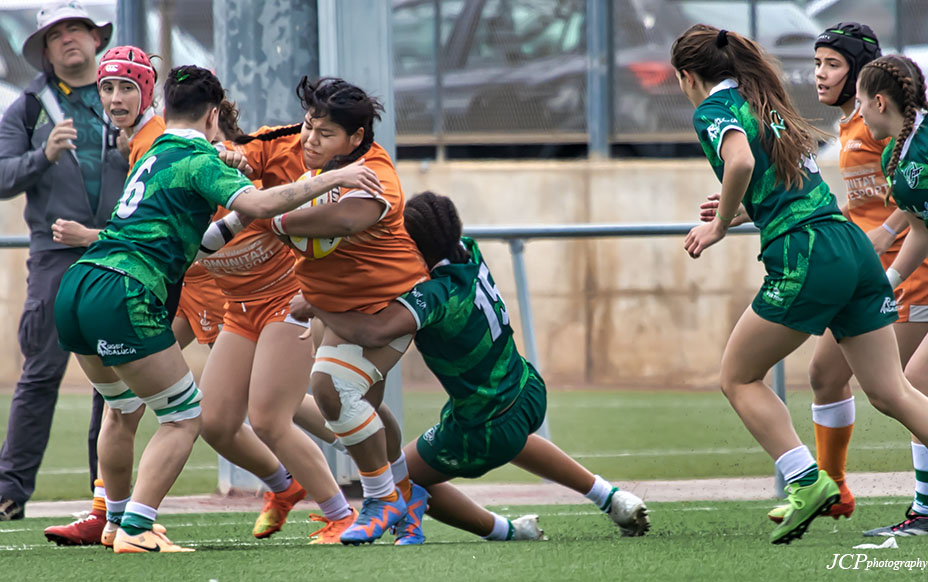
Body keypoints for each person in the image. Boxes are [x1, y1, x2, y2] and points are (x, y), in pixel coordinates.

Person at [52, 64, 382, 553]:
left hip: (81, 285)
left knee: (129, 411)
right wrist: (335, 178)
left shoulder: (157, 150)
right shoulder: (202, 160)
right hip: (135, 290)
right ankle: (136, 530)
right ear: (211, 117)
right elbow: (258, 208)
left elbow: (207, 234)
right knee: (188, 416)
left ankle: (115, 520)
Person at [673, 24, 928, 545]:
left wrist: (720, 223)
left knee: (739, 377)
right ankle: (823, 482)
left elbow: (740, 160)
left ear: (686, 77)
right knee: (892, 391)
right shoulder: (761, 98)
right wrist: (749, 210)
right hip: (849, 246)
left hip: (805, 252)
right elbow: (785, 177)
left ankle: (805, 481)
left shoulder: (714, 109)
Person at [293, 191, 651, 544]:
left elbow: (375, 332)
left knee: (399, 477)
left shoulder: (436, 295)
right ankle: (612, 498)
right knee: (514, 439)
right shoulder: (467, 249)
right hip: (525, 389)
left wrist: (316, 306)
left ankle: (506, 531)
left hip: (483, 427)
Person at [268, 76, 430, 545]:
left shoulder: (376, 174)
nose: (309, 140)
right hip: (335, 308)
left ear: (356, 138)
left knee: (332, 387)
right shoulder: (313, 163)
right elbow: (254, 159)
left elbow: (343, 218)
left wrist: (274, 216)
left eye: (324, 133)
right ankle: (407, 496)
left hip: (386, 308)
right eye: (307, 127)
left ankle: (380, 499)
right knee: (365, 408)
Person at [0, 1, 125, 521]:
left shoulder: (128, 100)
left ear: (98, 40)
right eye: (56, 35)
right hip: (54, 257)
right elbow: (3, 178)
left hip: (120, 252)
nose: (69, 39)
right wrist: (42, 156)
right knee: (40, 375)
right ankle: (9, 492)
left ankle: (105, 496)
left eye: (78, 29)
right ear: (45, 52)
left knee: (113, 380)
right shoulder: (27, 108)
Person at [854, 54, 928, 537]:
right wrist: (887, 266)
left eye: (861, 102)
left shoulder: (922, 148)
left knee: (913, 385)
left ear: (880, 101)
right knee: (916, 385)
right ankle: (925, 512)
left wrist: (889, 275)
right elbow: (919, 227)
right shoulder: (894, 155)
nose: (858, 113)